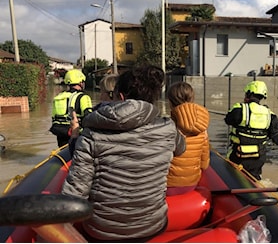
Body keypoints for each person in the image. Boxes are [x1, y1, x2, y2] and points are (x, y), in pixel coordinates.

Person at [61, 65, 186, 241]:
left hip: (102, 231)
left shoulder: (92, 133)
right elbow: (181, 149)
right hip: (153, 225)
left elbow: (76, 190)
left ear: (119, 97)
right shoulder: (168, 128)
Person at [224, 80, 278, 180]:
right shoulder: (270, 115)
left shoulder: (239, 109)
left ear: (249, 93)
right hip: (258, 159)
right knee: (254, 180)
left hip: (238, 156)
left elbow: (228, 120)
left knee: (231, 177)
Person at [166, 81, 210, 196]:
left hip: (168, 185)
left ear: (170, 102)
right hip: (192, 184)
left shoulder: (167, 126)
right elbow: (204, 165)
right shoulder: (202, 128)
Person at [68, 73, 119, 155]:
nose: (100, 97)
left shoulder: (97, 120)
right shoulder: (140, 119)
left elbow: (78, 154)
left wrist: (75, 132)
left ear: (110, 95)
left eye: (101, 93)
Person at [49, 69, 92, 147]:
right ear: (81, 83)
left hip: (61, 135)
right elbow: (89, 119)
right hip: (77, 136)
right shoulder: (83, 97)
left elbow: (54, 119)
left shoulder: (58, 97)